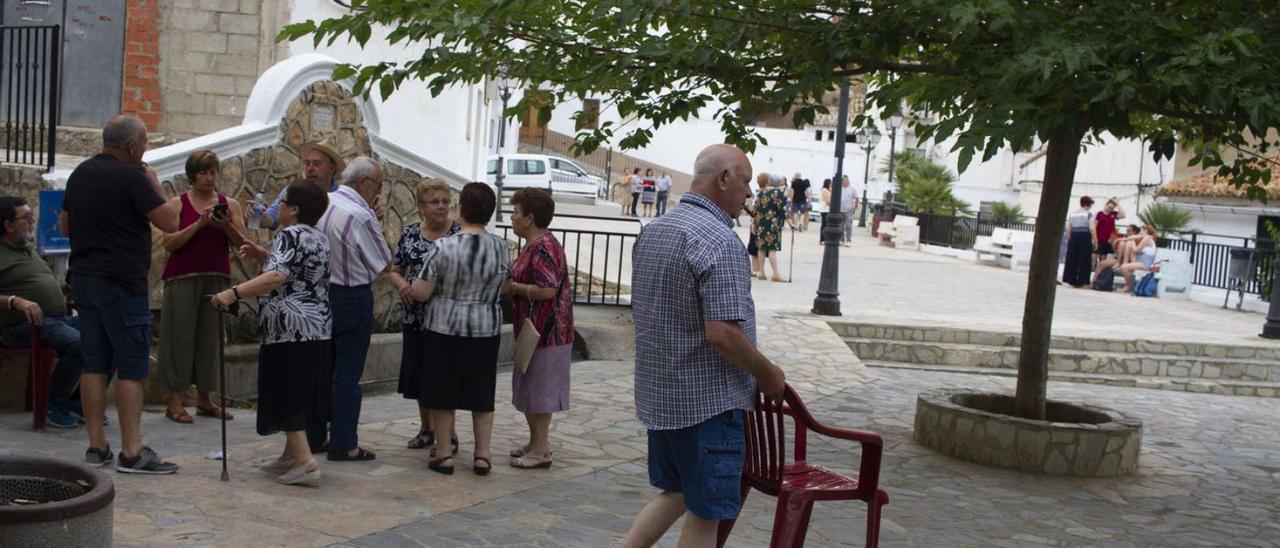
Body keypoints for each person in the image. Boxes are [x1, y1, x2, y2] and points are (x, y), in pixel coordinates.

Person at [623, 143, 786, 548]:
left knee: (677, 491)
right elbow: (723, 333)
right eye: (746, 182)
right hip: (706, 403)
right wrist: (768, 374)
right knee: (706, 511)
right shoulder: (720, 242)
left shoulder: (655, 230)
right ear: (724, 177)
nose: (750, 194)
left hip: (661, 396)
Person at [60, 114, 181, 473]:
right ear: (131, 146)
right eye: (144, 145)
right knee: (131, 366)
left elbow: (66, 225)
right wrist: (155, 183)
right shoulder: (134, 176)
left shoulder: (80, 173)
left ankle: (96, 447)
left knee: (94, 362)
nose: (145, 152)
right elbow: (170, 222)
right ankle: (132, 451)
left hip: (84, 279)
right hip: (123, 284)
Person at [211, 181, 332, 486]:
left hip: (289, 328)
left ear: (294, 210)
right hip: (317, 327)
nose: (276, 207)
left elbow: (278, 276)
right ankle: (291, 455)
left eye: (282, 202)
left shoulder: (289, 235)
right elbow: (297, 270)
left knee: (287, 390)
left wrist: (233, 293)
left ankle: (304, 461)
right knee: (300, 389)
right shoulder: (318, 236)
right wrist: (263, 254)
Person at [408, 182, 510, 476]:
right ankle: (482, 455)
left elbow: (422, 291)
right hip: (485, 328)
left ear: (461, 210)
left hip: (444, 327)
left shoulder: (444, 246)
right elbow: (504, 285)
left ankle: (444, 455)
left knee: (442, 393)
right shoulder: (501, 247)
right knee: (481, 393)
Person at [309, 156, 392, 462]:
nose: (379, 192)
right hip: (351, 296)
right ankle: (344, 442)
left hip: (320, 295)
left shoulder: (323, 202)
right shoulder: (361, 214)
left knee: (321, 370)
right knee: (346, 373)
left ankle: (314, 435)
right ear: (364, 183)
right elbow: (383, 262)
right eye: (378, 184)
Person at [157, 150, 247, 425]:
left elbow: (242, 241)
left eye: (213, 172)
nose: (209, 178)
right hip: (182, 277)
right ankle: (175, 400)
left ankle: (206, 399)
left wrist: (224, 226)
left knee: (211, 338)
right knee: (179, 338)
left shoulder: (229, 204)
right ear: (192, 175)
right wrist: (198, 225)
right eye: (203, 172)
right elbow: (169, 243)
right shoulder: (178, 204)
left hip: (217, 277)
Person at [387, 178, 460, 453]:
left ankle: (449, 434)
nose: (441, 207)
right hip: (415, 317)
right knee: (419, 374)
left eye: (444, 201)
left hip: (447, 320)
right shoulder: (409, 234)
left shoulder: (458, 234)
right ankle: (426, 428)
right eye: (435, 202)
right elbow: (394, 270)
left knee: (444, 377)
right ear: (421, 208)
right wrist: (403, 285)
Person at [0, 197, 84, 429]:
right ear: (8, 225)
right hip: (23, 326)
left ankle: (77, 401)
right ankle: (53, 404)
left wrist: (67, 288)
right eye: (26, 218)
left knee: (111, 333)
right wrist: (15, 301)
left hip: (56, 320)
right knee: (79, 344)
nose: (32, 221)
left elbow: (41, 282)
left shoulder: (28, 250)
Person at [506, 188, 574, 469]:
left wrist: (513, 288)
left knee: (541, 390)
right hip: (533, 331)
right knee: (530, 388)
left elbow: (546, 290)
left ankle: (541, 449)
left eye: (516, 213)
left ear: (530, 218)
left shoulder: (544, 246)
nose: (512, 217)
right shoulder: (535, 244)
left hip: (547, 332)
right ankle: (535, 442)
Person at [251, 138, 345, 230]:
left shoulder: (342, 198)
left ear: (332, 168)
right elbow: (271, 218)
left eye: (316, 164)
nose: (310, 169)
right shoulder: (293, 191)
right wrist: (259, 216)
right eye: (307, 163)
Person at [753, 174, 788, 282]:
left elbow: (755, 209)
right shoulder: (779, 194)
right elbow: (782, 210)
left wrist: (755, 223)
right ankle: (775, 273)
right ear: (778, 183)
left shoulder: (760, 193)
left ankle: (761, 272)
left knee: (761, 248)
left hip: (761, 223)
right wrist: (789, 222)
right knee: (772, 249)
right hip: (773, 224)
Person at [1062, 196, 1096, 287]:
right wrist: (1095, 241)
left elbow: (1068, 227)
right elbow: (1092, 228)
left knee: (1072, 258)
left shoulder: (1072, 214)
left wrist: (1070, 237)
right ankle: (1082, 280)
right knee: (1084, 259)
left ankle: (1071, 279)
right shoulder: (1088, 214)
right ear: (1087, 204)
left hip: (1074, 236)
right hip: (1085, 236)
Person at [1113, 225, 1159, 292]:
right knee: (1129, 243)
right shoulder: (1146, 237)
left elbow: (1135, 250)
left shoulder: (1147, 239)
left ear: (1146, 231)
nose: (1139, 233)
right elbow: (1132, 237)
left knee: (1123, 268)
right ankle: (1130, 285)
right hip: (1140, 261)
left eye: (1141, 231)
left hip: (1145, 264)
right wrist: (1120, 239)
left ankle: (1129, 286)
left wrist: (1133, 242)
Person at [839, 175, 856, 246]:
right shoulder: (840, 188)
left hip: (849, 210)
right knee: (840, 226)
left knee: (848, 225)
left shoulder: (852, 189)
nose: (844, 181)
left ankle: (848, 240)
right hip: (840, 210)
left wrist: (854, 208)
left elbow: (856, 199)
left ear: (848, 180)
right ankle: (841, 239)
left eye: (845, 180)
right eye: (843, 180)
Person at [819, 178, 832, 244]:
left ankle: (825, 238)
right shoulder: (824, 190)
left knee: (826, 224)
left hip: (826, 209)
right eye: (830, 183)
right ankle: (822, 239)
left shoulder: (828, 190)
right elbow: (827, 201)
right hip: (825, 209)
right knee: (824, 224)